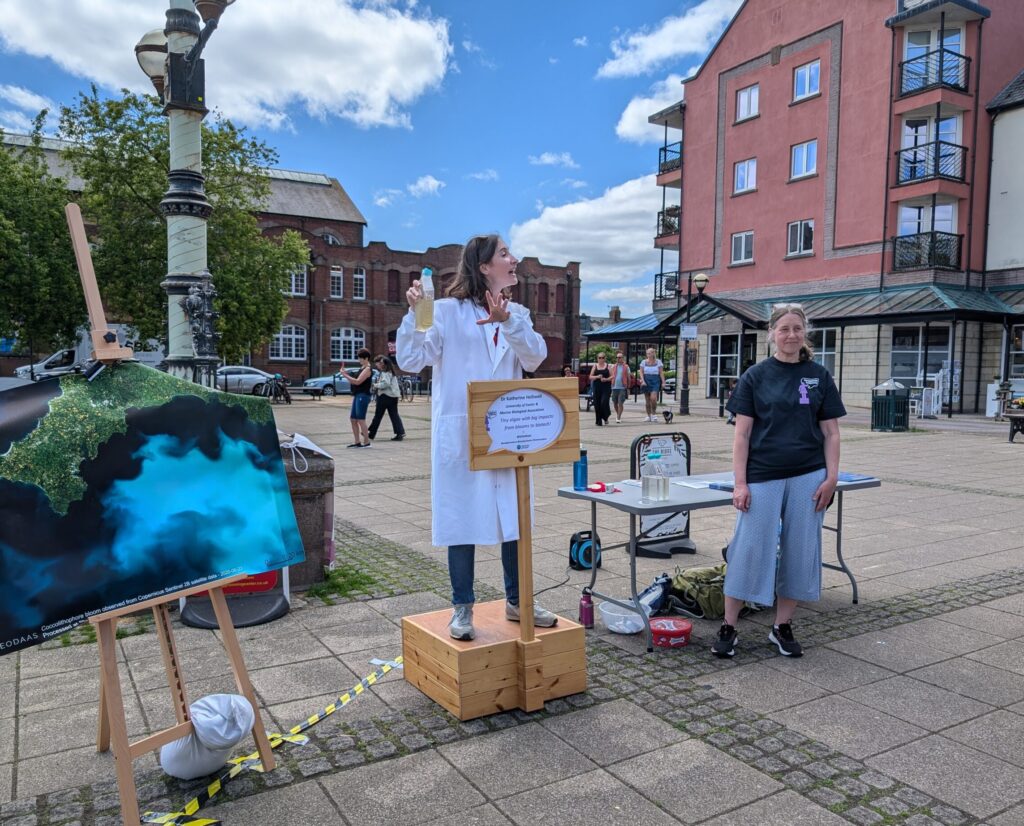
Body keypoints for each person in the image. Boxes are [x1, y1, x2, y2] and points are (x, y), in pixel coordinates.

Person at [396, 234, 558, 641]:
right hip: (463, 433)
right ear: (484, 266)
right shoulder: (447, 312)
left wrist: (508, 323)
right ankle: (462, 607)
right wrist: (418, 314)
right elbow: (412, 360)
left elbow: (535, 357)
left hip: (508, 431)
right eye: (505, 254)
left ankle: (518, 600)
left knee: (514, 517)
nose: (514, 259)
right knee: (461, 519)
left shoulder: (516, 311)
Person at [713, 304, 845, 659]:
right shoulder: (755, 376)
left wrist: (831, 477)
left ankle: (781, 625)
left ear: (805, 333)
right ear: (771, 333)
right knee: (749, 548)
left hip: (809, 475)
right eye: (783, 329)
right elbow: (742, 436)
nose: (790, 335)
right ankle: (729, 625)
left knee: (801, 551)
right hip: (763, 474)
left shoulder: (818, 375)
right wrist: (740, 483)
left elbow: (831, 433)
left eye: (796, 329)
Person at [339, 348, 373, 448]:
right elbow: (354, 379)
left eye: (361, 358)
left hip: (363, 395)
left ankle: (366, 442)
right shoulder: (362, 367)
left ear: (366, 358)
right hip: (358, 395)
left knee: (361, 419)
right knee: (353, 419)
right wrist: (347, 374)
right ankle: (357, 441)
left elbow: (357, 381)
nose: (359, 360)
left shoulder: (367, 369)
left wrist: (345, 375)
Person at [367, 355, 406, 442]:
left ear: (382, 364)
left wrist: (375, 385)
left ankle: (371, 433)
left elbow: (385, 384)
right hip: (393, 397)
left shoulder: (385, 373)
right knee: (394, 415)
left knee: (378, 415)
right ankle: (400, 433)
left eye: (377, 363)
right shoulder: (391, 372)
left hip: (385, 396)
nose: (376, 365)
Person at [636, 348, 665, 422]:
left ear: (653, 353)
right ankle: (648, 416)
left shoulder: (658, 362)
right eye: (647, 353)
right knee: (647, 400)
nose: (648, 355)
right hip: (646, 380)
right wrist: (642, 380)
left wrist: (663, 382)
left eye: (650, 353)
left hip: (655, 380)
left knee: (653, 398)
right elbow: (641, 372)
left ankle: (654, 414)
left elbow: (661, 373)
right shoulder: (643, 362)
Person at [588, 353, 612, 426]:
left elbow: (612, 376)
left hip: (606, 387)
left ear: (605, 358)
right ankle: (598, 420)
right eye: (599, 358)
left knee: (604, 402)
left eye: (602, 357)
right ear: (597, 358)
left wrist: (606, 379)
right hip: (597, 387)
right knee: (597, 404)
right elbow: (590, 377)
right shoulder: (595, 366)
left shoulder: (608, 366)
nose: (601, 359)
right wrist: (597, 377)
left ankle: (605, 417)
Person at [610, 351, 631, 423]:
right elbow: (611, 376)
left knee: (620, 402)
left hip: (622, 387)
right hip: (614, 387)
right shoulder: (613, 366)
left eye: (619, 357)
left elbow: (629, 377)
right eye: (617, 357)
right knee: (615, 403)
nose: (618, 359)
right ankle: (618, 414)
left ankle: (618, 417)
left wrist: (628, 388)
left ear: (622, 358)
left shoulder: (626, 367)